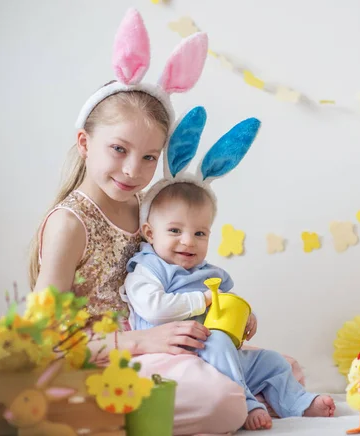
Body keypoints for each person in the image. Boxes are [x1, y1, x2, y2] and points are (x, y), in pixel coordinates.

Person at [29, 9, 249, 435]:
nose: (133, 170)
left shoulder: (145, 209)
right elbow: (44, 343)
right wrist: (141, 342)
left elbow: (175, 275)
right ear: (84, 142)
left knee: (277, 369)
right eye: (118, 149)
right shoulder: (70, 224)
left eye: (149, 156)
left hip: (149, 349)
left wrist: (217, 313)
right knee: (222, 399)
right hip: (94, 362)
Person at [120, 107, 336, 431]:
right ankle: (247, 402)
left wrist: (244, 316)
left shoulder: (209, 273)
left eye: (200, 233)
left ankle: (299, 404)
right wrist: (203, 302)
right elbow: (153, 306)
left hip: (215, 352)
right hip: (173, 356)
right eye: (175, 231)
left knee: (272, 361)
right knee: (220, 343)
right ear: (150, 233)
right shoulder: (148, 268)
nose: (188, 242)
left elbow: (225, 309)